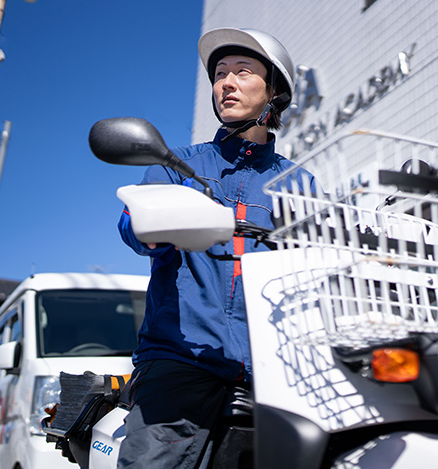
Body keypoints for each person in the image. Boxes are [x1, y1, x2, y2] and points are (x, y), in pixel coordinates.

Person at [116, 28, 313, 468]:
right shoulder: (177, 166)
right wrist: (153, 225)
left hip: (275, 368)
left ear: (274, 92)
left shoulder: (299, 184)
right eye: (220, 74)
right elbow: (132, 226)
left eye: (242, 72)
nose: (226, 83)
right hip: (183, 356)